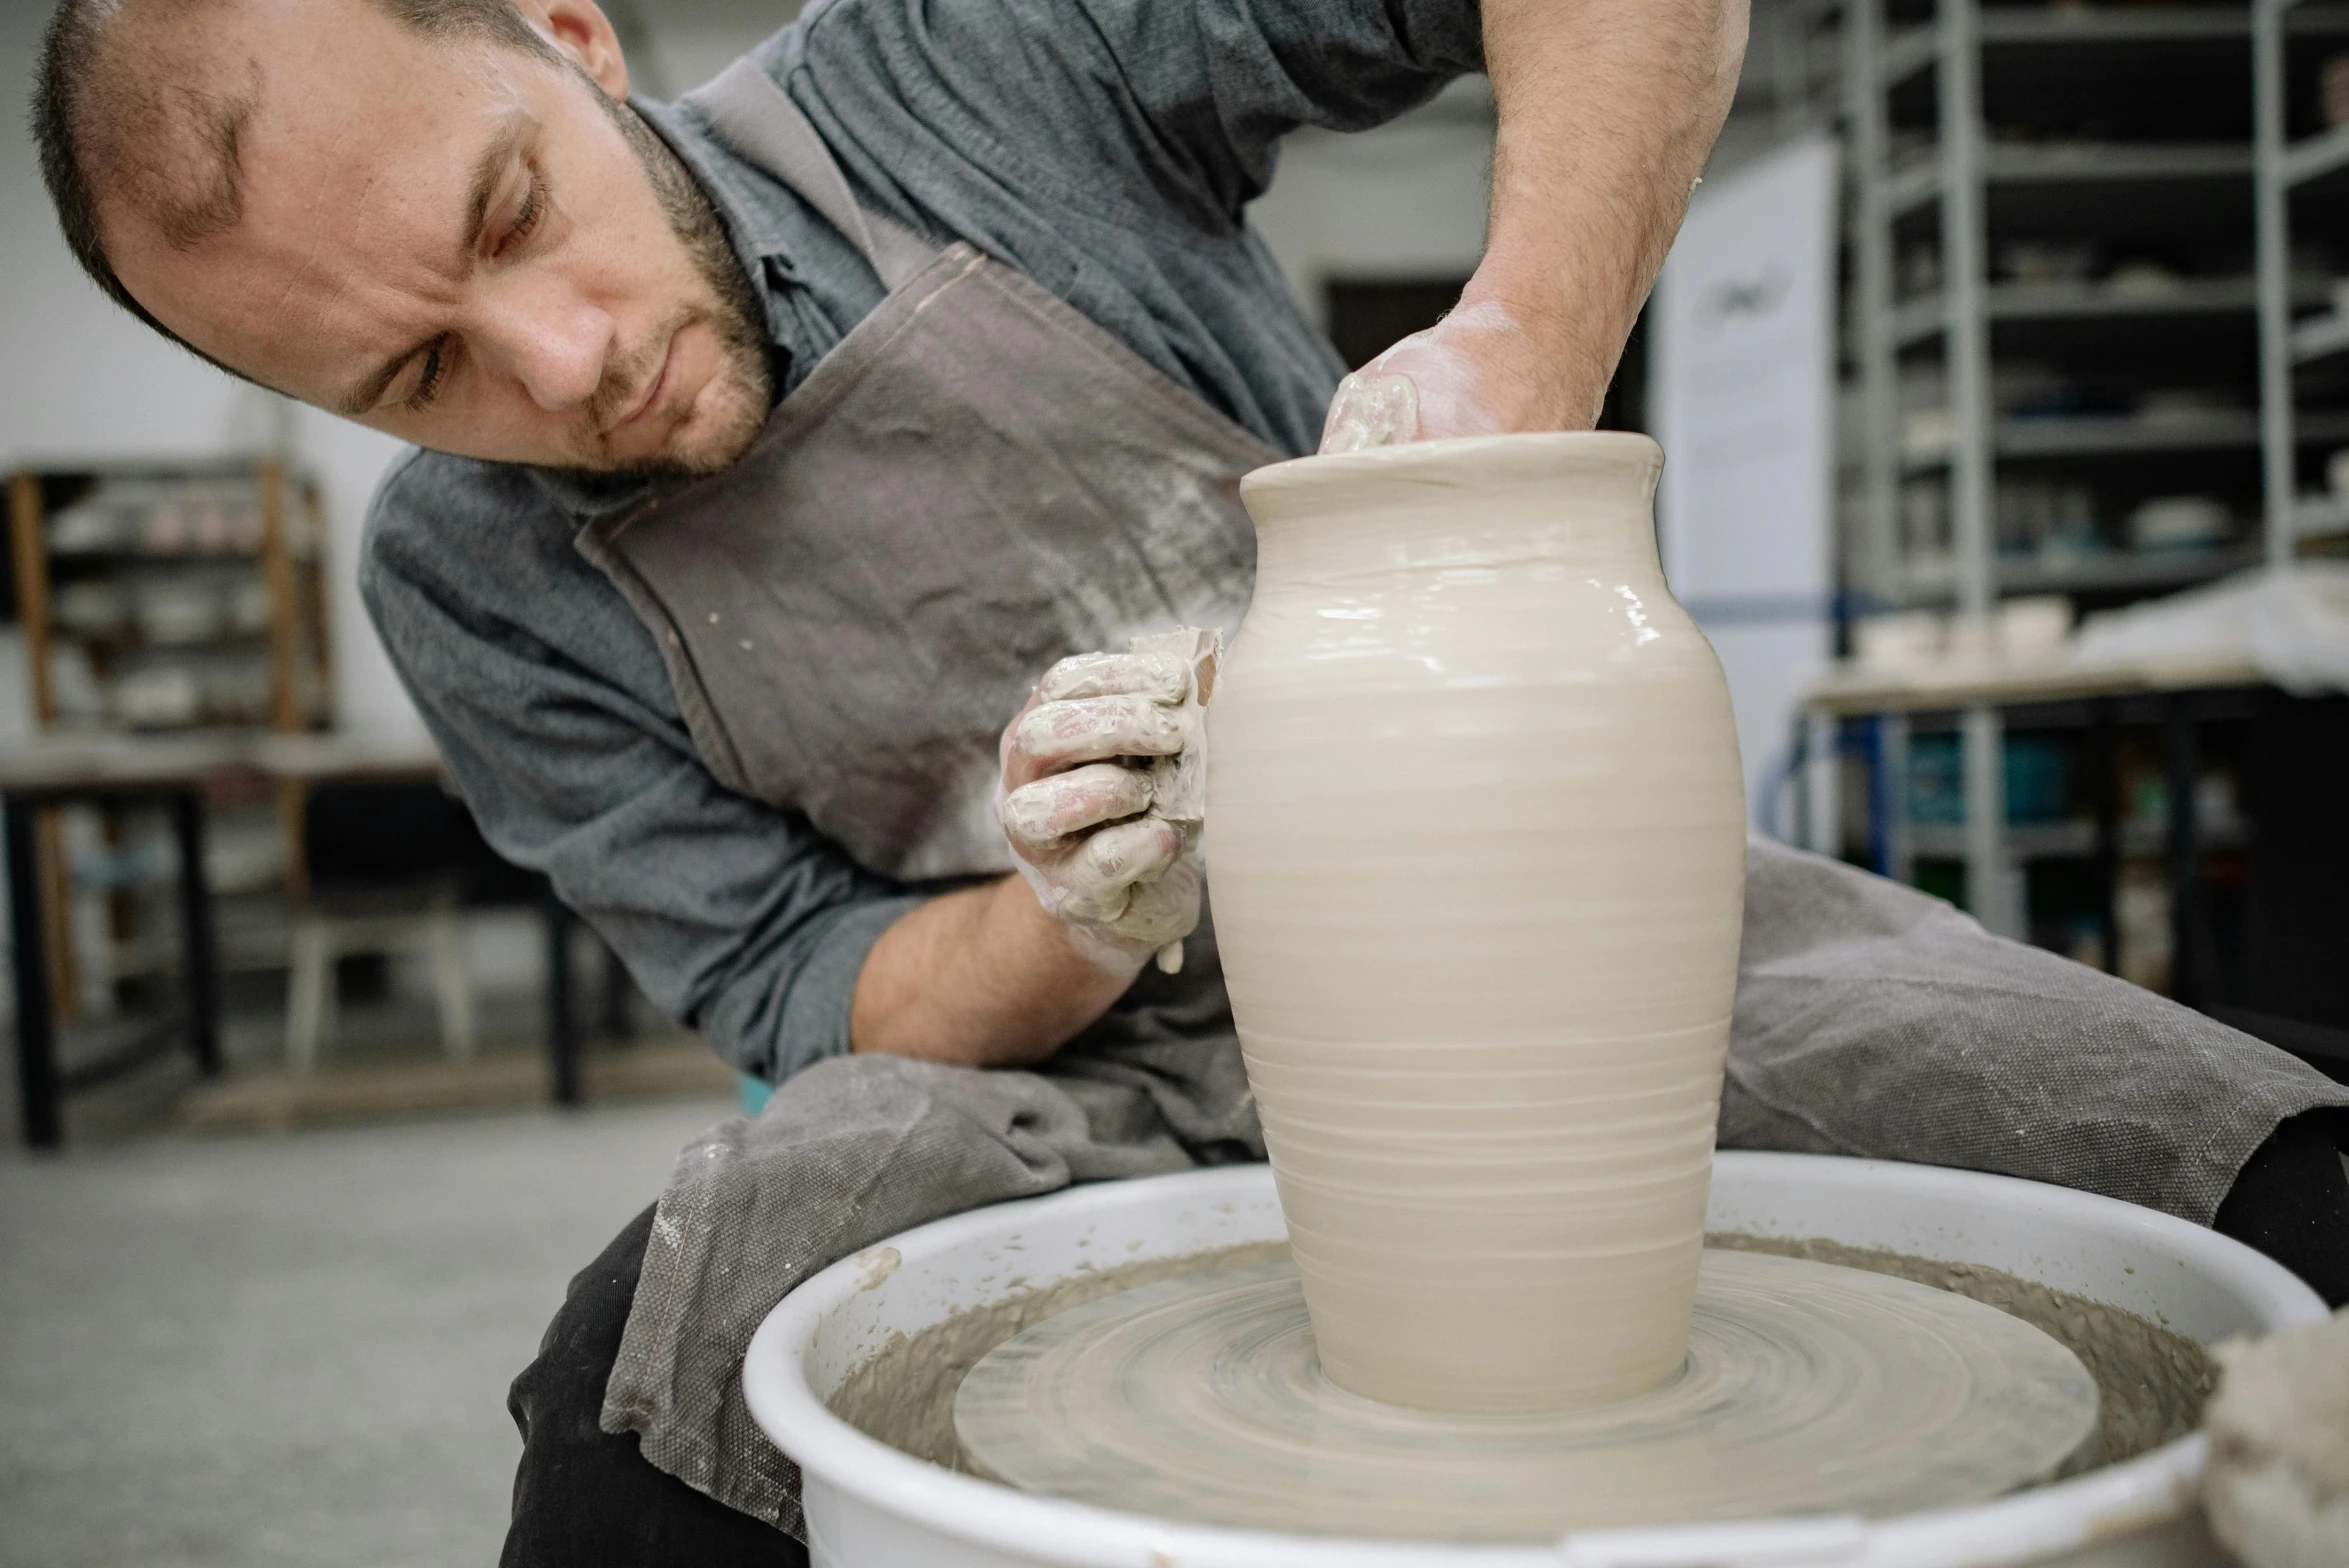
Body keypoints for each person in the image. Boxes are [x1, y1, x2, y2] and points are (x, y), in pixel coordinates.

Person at [32, 0, 2349, 1563]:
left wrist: (1520, 344)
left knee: (2229, 1178)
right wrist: (1079, 904)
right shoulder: (468, 583)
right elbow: (803, 995)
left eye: (515, 218)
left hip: (1525, 916)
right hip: (1064, 1074)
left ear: (565, 31)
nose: (568, 364)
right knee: (639, 1407)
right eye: (422, 370)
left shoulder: (968, 67)